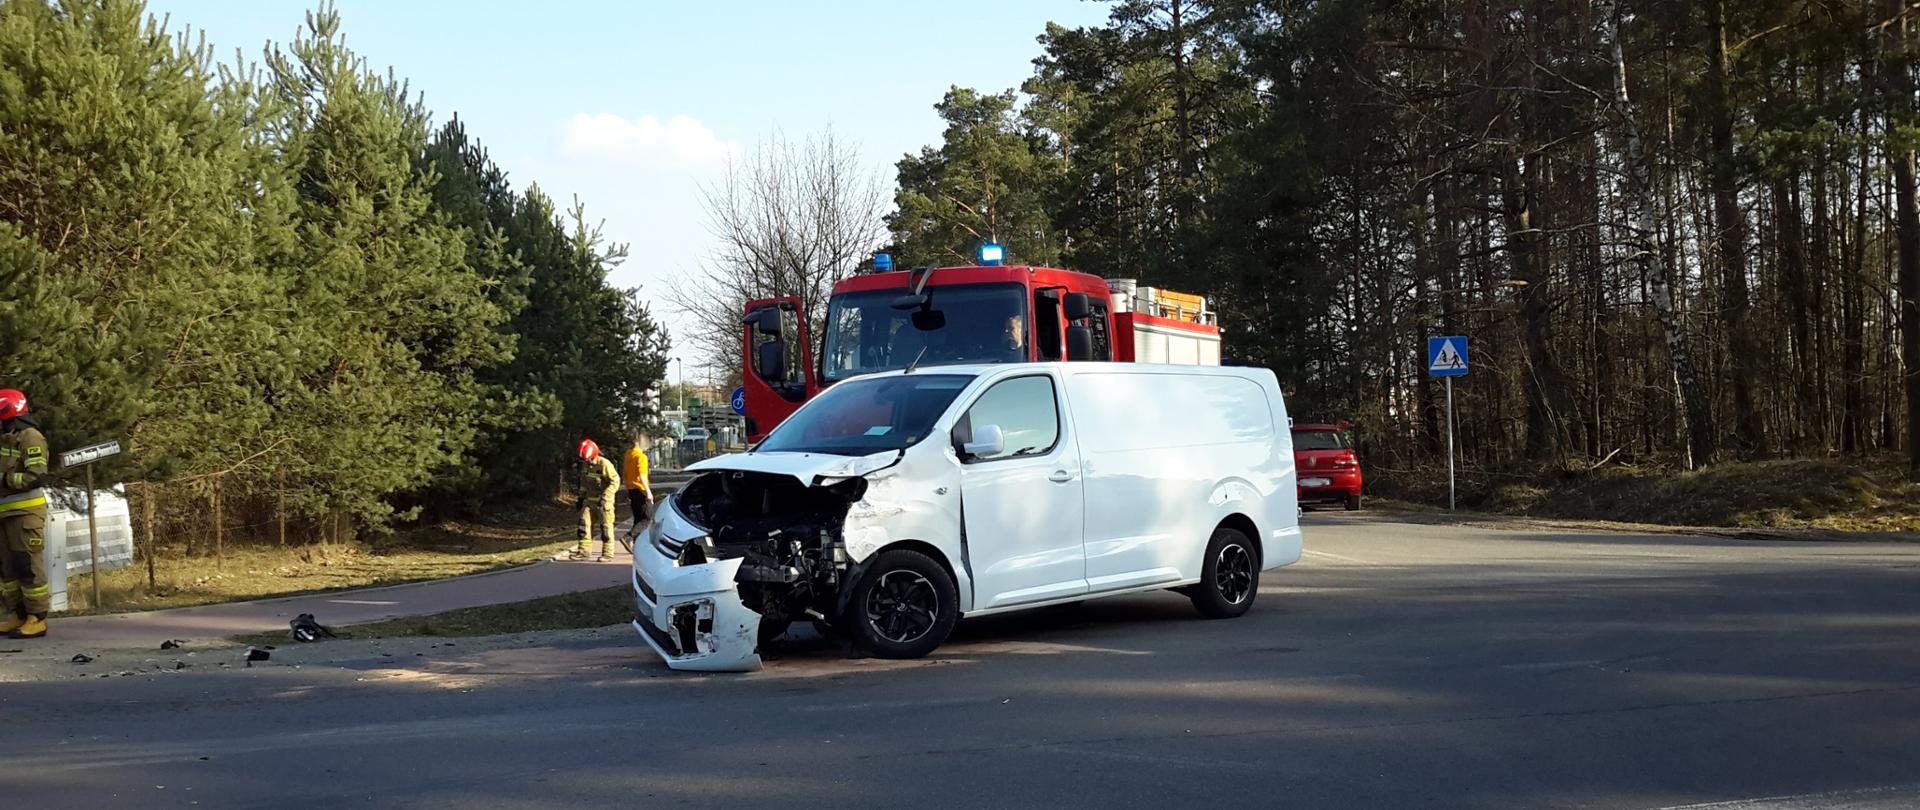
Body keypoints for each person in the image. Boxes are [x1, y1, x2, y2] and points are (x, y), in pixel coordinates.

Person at [0, 388, 50, 639]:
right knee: (7, 570)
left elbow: (36, 475)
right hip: (4, 514)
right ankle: (17, 614)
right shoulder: (6, 437)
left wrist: (5, 480)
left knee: (27, 565)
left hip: (25, 513)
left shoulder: (30, 437)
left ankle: (37, 618)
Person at [561, 438, 621, 562]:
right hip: (589, 501)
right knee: (583, 525)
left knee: (606, 528)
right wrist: (581, 498)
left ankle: (608, 553)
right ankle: (583, 551)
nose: (586, 461)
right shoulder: (586, 465)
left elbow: (615, 482)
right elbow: (584, 482)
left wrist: (605, 497)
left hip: (604, 503)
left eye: (587, 458)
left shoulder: (604, 464)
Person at [622, 431, 653, 537]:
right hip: (641, 489)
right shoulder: (642, 457)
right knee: (647, 517)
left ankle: (635, 543)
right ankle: (629, 536)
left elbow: (625, 474)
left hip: (631, 489)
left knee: (637, 518)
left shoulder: (628, 455)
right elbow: (642, 476)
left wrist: (627, 490)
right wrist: (648, 492)